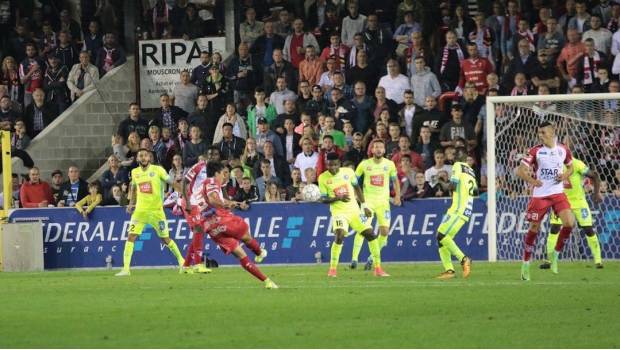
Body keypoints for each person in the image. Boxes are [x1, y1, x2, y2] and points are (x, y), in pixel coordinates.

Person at [180, 161, 277, 288]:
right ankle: (259, 252)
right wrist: (224, 205)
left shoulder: (200, 188)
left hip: (211, 228)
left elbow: (216, 199)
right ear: (216, 173)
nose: (224, 177)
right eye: (223, 173)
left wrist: (235, 203)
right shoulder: (212, 181)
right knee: (246, 235)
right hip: (222, 219)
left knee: (241, 255)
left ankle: (267, 281)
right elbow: (214, 199)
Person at [516, 122, 575, 281]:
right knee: (534, 228)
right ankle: (526, 264)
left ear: (552, 131)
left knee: (569, 223)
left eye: (543, 132)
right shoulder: (535, 151)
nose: (540, 135)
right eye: (539, 132)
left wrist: (564, 175)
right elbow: (519, 170)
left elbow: (571, 168)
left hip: (557, 193)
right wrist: (532, 181)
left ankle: (555, 255)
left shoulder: (563, 149)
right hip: (540, 195)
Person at [115, 149, 185, 276]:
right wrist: (131, 204)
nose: (143, 157)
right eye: (140, 155)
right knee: (131, 236)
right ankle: (126, 269)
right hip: (140, 211)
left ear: (149, 158)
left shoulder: (158, 170)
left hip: (156, 211)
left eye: (145, 155)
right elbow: (134, 189)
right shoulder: (134, 172)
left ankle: (182, 262)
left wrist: (185, 195)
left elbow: (172, 182)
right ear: (137, 158)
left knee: (165, 239)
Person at [318, 153, 388, 278]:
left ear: (339, 163)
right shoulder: (323, 178)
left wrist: (365, 206)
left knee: (371, 234)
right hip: (339, 213)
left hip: (355, 212)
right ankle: (332, 269)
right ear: (327, 164)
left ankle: (378, 269)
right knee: (339, 235)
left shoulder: (349, 172)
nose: (332, 168)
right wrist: (337, 198)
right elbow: (323, 199)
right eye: (329, 165)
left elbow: (357, 188)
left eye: (335, 165)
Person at [540, 156, 604, 269]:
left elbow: (594, 175)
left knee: (588, 229)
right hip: (561, 201)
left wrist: (596, 193)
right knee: (555, 227)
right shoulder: (553, 164)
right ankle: (549, 261)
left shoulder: (577, 163)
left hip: (579, 202)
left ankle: (598, 261)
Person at [350, 140, 400, 270]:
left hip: (383, 203)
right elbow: (353, 180)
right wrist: (355, 194)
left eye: (381, 147)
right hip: (368, 203)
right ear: (372, 150)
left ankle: (371, 258)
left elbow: (395, 181)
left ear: (384, 150)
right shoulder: (364, 164)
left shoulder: (389, 164)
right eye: (376, 147)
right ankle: (354, 259)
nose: (378, 149)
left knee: (385, 232)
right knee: (363, 230)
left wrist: (398, 196)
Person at [434, 147, 475, 279]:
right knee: (442, 239)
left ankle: (463, 259)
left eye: (452, 153)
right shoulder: (471, 171)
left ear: (459, 155)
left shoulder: (457, 166)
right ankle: (449, 270)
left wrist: (439, 181)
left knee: (441, 235)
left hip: (458, 208)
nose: (449, 155)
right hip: (465, 207)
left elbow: (452, 186)